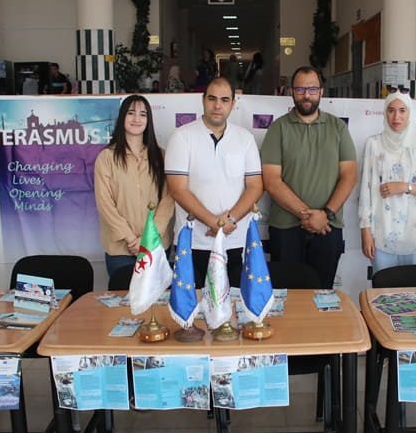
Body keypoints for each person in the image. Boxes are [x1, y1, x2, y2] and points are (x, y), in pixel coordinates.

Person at [261, 66, 357, 289]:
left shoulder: (338, 128)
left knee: (322, 295)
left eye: (312, 89)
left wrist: (326, 214)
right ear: (291, 92)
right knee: (287, 297)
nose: (306, 95)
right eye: (300, 89)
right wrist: (309, 216)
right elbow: (272, 181)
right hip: (286, 229)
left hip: (328, 227)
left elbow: (349, 175)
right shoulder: (278, 129)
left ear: (321, 91)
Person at [165, 77, 263, 287]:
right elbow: (178, 189)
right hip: (193, 242)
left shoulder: (245, 139)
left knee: (238, 303)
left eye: (224, 100)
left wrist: (229, 220)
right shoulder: (182, 137)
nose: (217, 105)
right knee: (194, 304)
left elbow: (255, 186)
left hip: (236, 241)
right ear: (203, 100)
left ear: (233, 104)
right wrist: (213, 222)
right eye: (212, 99)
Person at [359, 91, 416, 273]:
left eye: (402, 110)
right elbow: (365, 191)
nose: (396, 117)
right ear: (385, 113)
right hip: (382, 233)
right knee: (383, 287)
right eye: (391, 110)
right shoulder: (374, 144)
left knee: (414, 286)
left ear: (410, 113)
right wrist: (365, 230)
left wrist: (405, 187)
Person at [95, 95, 174, 276]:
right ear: (122, 117)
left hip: (155, 245)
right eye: (131, 113)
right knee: (123, 294)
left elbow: (168, 200)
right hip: (121, 249)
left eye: (142, 114)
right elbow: (105, 204)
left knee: (156, 294)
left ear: (148, 120)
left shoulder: (160, 157)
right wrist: (131, 238)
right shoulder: (106, 158)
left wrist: (148, 238)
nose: (136, 119)